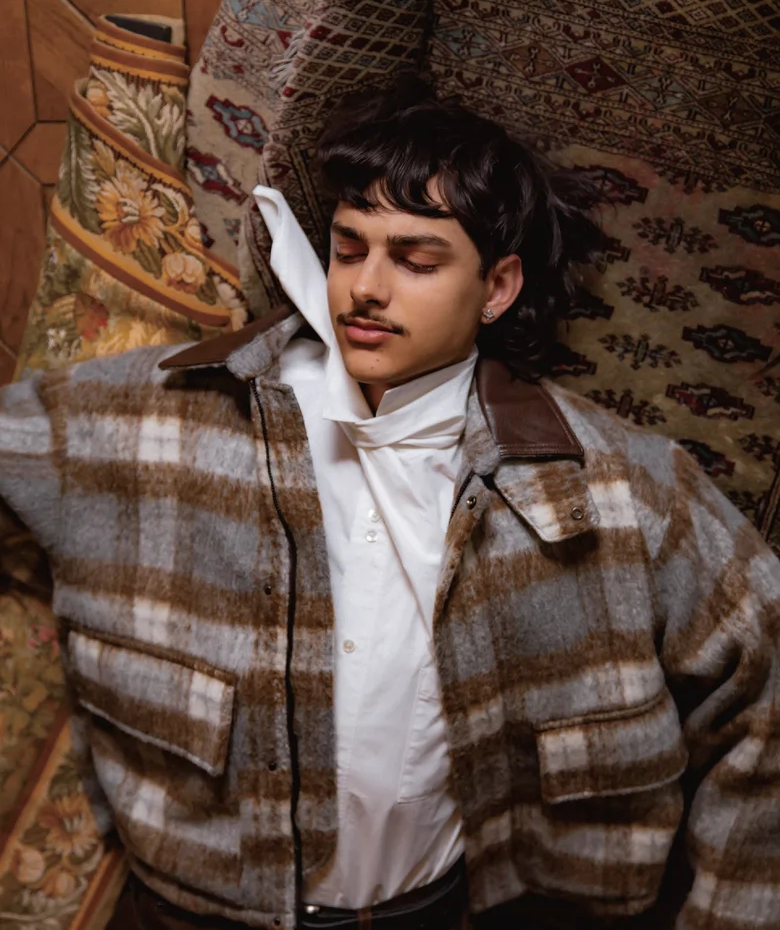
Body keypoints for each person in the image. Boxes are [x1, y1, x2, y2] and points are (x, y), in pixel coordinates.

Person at [1, 83, 778, 930]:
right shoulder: (147, 420)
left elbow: (768, 674)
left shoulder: (623, 491)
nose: (366, 287)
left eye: (416, 260)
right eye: (348, 248)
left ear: (497, 286)